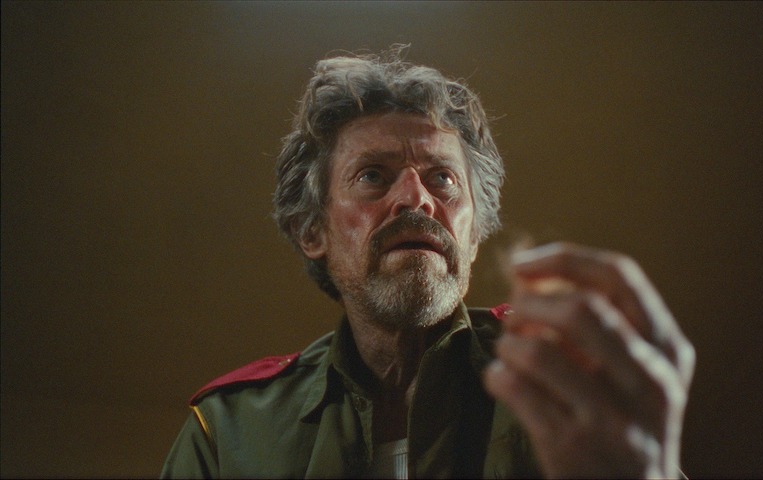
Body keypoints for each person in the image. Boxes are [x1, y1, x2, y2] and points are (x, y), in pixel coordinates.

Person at [161, 47, 695, 479]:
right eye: (373, 175)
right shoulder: (229, 430)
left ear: (473, 236)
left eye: (442, 178)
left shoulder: (565, 385)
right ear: (312, 232)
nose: (416, 199)